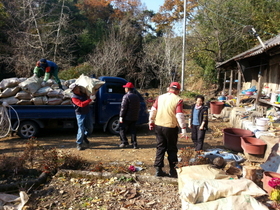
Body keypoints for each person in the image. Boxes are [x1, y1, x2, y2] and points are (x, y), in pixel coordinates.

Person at [149, 82, 187, 178]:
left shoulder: (160, 97)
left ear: (169, 88)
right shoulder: (178, 100)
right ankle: (173, 171)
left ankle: (158, 170)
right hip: (170, 127)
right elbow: (179, 115)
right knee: (172, 149)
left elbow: (153, 110)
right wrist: (183, 129)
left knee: (160, 148)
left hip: (158, 125)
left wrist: (151, 121)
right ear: (178, 90)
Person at [70, 83, 95, 150]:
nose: (76, 90)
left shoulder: (83, 93)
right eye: (75, 90)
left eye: (77, 88)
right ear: (73, 91)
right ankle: (79, 144)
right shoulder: (74, 97)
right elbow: (81, 104)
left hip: (87, 112)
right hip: (80, 114)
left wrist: (91, 97)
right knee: (81, 129)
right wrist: (90, 100)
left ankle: (84, 136)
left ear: (79, 87)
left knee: (90, 128)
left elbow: (88, 98)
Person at [119, 82, 140, 149]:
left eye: (125, 88)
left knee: (121, 129)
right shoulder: (136, 96)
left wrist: (121, 116)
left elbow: (123, 107)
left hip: (126, 116)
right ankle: (134, 144)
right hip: (134, 116)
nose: (125, 89)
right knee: (133, 130)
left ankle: (124, 142)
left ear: (128, 89)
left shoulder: (126, 96)